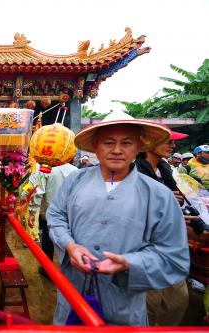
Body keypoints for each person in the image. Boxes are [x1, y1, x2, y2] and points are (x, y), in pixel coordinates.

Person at [47, 110, 190, 325]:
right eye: (108, 142)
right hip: (72, 297)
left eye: (126, 143)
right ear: (96, 145)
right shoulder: (75, 181)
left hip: (125, 309)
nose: (116, 150)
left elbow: (174, 258)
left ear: (139, 146)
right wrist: (69, 246)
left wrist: (129, 263)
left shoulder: (159, 195)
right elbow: (56, 215)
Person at [134, 126, 189, 325]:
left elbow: (178, 201)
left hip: (169, 246)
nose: (173, 145)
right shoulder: (135, 170)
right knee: (150, 304)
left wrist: (178, 204)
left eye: (173, 141)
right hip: (144, 247)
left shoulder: (166, 169)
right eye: (168, 141)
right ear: (150, 143)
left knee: (177, 302)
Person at [28, 162, 78, 278]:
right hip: (70, 215)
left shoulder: (46, 170)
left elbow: (38, 192)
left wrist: (32, 211)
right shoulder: (75, 170)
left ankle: (47, 269)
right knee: (69, 242)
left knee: (47, 241)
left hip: (50, 215)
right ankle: (68, 271)